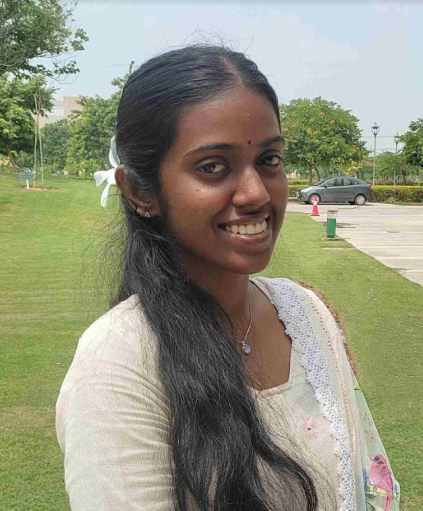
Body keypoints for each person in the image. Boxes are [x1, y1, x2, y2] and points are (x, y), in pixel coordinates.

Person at [55, 45, 400, 511]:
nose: (256, 192)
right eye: (212, 167)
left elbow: (368, 485)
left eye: (269, 160)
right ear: (140, 191)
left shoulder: (306, 314)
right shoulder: (118, 364)